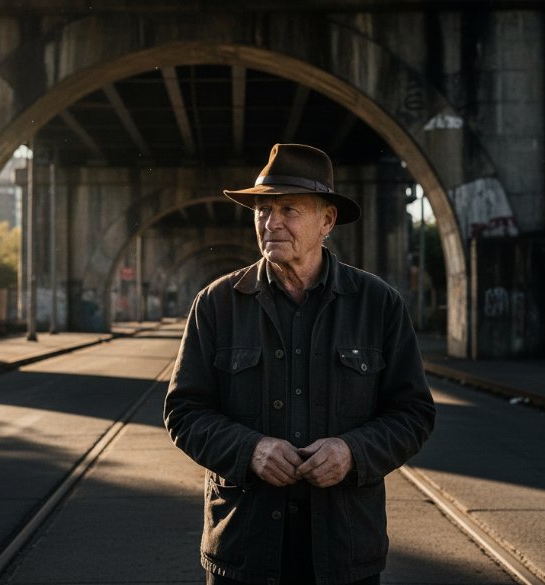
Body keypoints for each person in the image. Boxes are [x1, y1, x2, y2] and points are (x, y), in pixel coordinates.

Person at [164, 143, 436, 585]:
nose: (271, 223)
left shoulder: (378, 304)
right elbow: (184, 412)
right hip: (245, 548)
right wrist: (250, 450)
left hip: (344, 549)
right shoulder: (216, 304)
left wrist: (353, 452)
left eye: (288, 209)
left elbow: (413, 414)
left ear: (327, 220)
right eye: (262, 210)